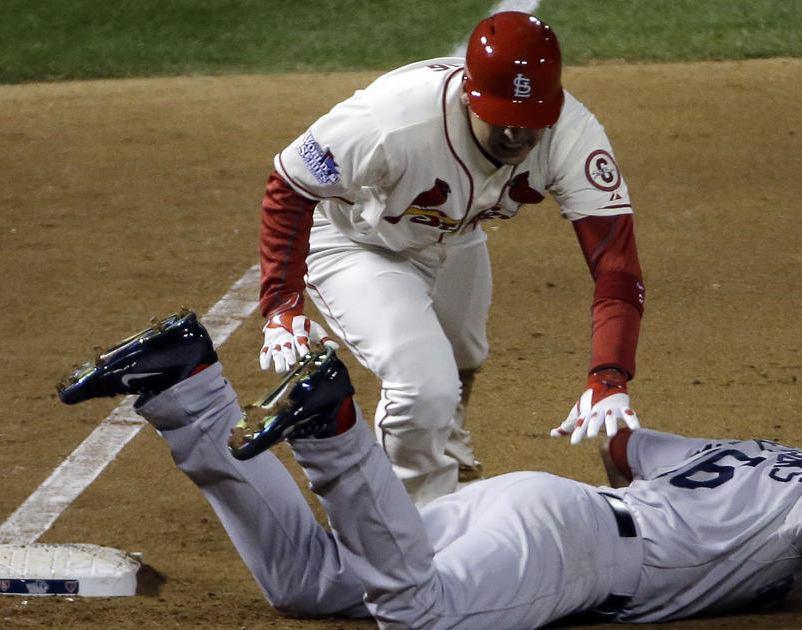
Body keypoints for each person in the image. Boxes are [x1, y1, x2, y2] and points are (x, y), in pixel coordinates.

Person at [57, 310, 802, 630]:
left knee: (308, 584)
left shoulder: (743, 455)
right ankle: (333, 431)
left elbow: (627, 445)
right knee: (417, 617)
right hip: (573, 553)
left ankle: (185, 384)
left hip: (527, 505)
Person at [254, 11, 646, 506]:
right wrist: (282, 303)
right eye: (501, 118)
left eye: (531, 122)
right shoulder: (391, 119)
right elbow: (290, 184)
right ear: (467, 93)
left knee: (463, 357)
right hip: (357, 243)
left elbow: (616, 265)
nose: (516, 137)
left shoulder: (573, 134)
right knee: (424, 389)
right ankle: (414, 521)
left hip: (451, 235)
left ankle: (447, 455)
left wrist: (609, 374)